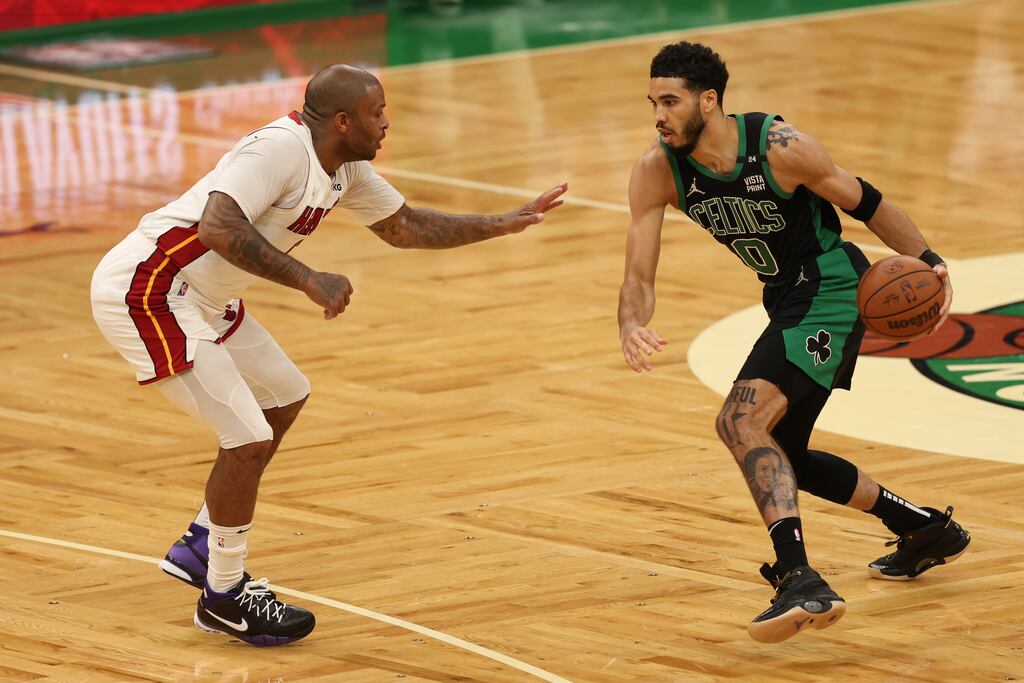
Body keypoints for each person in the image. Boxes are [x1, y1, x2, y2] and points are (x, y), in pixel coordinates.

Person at [90, 64, 567, 647]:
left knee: (284, 394)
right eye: (377, 113)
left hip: (208, 297)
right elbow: (218, 225)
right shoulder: (277, 150)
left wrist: (502, 224)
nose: (387, 123)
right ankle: (223, 593)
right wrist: (307, 278)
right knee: (246, 438)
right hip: (151, 289)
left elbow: (405, 227)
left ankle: (202, 541)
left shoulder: (346, 169)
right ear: (343, 120)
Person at [616, 42, 969, 644]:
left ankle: (799, 577)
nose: (658, 114)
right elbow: (638, 273)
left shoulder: (780, 149)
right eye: (653, 102)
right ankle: (923, 527)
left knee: (740, 423)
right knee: (783, 455)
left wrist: (927, 260)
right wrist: (630, 322)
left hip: (831, 286)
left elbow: (867, 201)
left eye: (670, 101)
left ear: (709, 100)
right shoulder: (658, 169)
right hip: (786, 297)